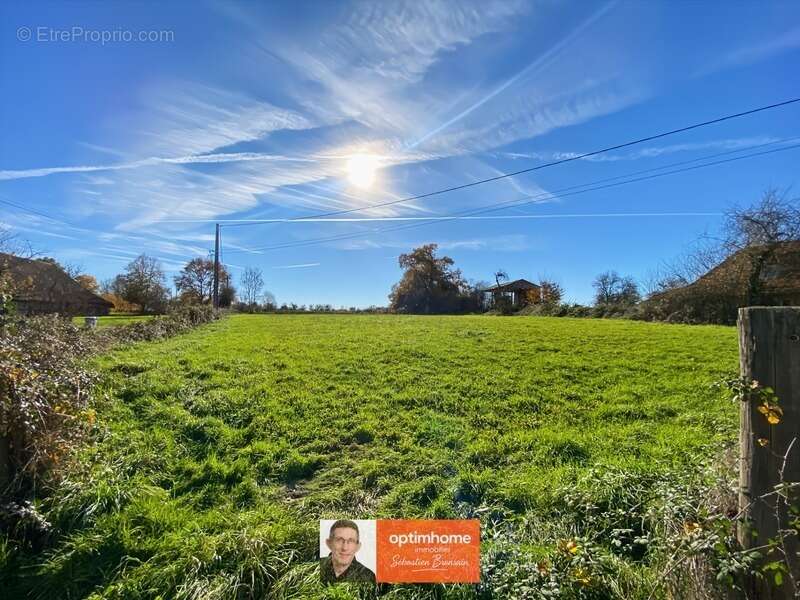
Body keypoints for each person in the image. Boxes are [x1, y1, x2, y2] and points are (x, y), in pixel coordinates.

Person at [320, 519, 376, 584]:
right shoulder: (315, 567)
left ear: (358, 546)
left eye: (351, 541)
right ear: (329, 543)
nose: (345, 548)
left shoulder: (368, 577)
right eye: (339, 540)